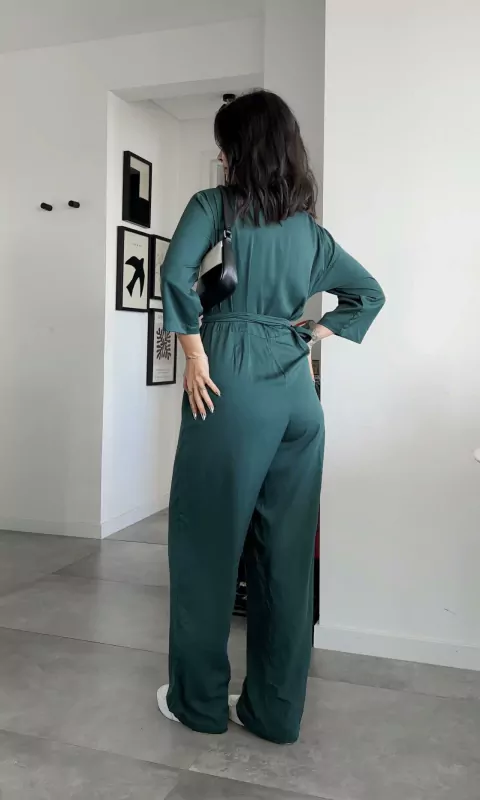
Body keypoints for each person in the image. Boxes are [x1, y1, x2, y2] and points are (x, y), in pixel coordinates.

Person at [157, 90, 385, 744]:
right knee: (285, 558)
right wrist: (311, 334)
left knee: (206, 545)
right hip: (297, 394)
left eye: (224, 143)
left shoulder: (214, 207)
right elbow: (368, 294)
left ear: (239, 149)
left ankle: (199, 705)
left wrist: (194, 352)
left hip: (228, 382)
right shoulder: (312, 233)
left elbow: (175, 274)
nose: (220, 155)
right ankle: (274, 713)